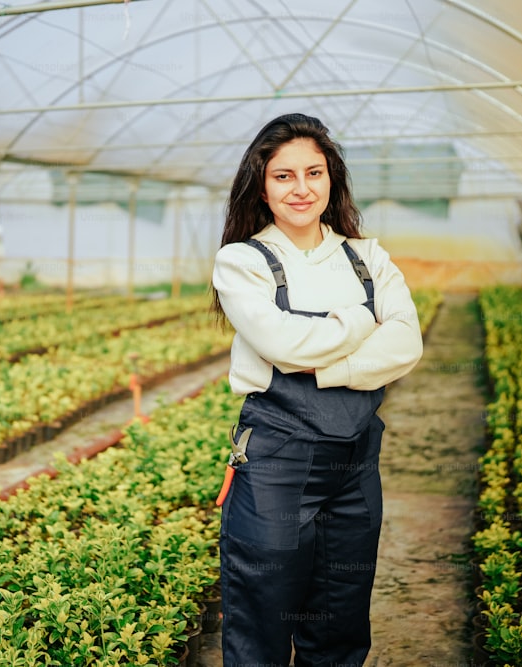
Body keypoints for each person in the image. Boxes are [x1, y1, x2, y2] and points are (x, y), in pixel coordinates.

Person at [210, 112, 423, 667]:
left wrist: (324, 362)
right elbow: (285, 347)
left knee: (340, 623)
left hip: (354, 466)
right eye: (284, 176)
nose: (301, 189)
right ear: (261, 183)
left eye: (314, 172)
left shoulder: (366, 257)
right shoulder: (242, 261)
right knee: (260, 620)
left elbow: (405, 345)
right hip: (278, 464)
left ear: (333, 179)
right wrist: (360, 320)